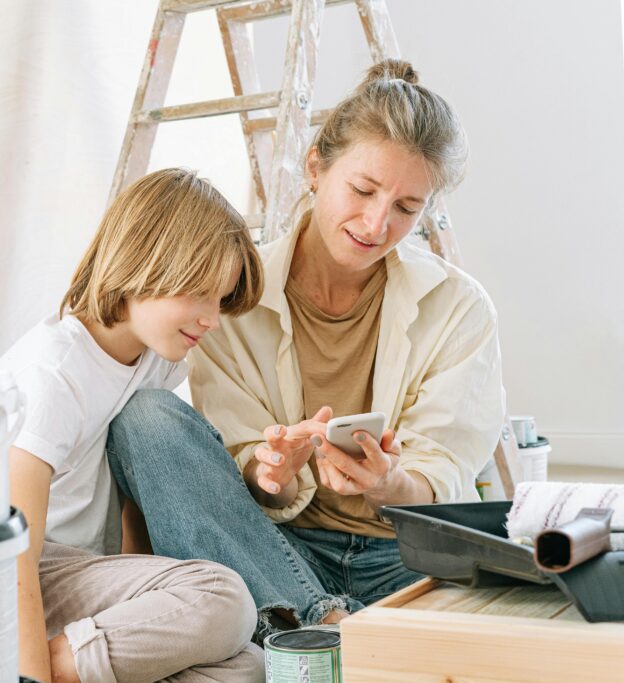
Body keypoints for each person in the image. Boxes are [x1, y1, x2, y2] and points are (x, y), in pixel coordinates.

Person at [106, 59, 505, 641]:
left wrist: (387, 483)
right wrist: (274, 474)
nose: (375, 223)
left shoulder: (460, 308)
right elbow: (242, 473)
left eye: (405, 208)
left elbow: (442, 473)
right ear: (317, 166)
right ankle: (323, 624)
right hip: (276, 555)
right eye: (363, 190)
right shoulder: (232, 296)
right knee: (145, 418)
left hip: (406, 556)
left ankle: (298, 637)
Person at [0, 168, 266, 683]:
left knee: (246, 666)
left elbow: (131, 501)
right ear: (144, 266)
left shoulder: (154, 357)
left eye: (219, 299)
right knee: (225, 599)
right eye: (199, 294)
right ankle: (26, 671)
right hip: (18, 581)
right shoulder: (51, 376)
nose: (211, 318)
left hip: (85, 577)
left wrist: (152, 610)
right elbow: (12, 555)